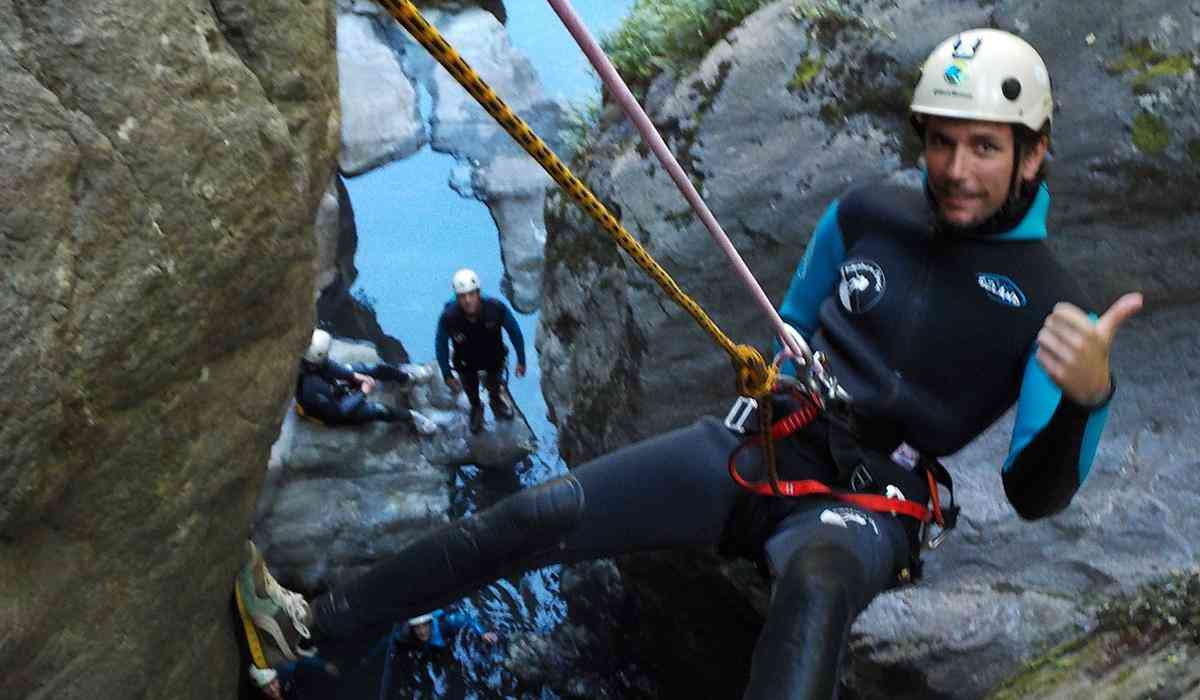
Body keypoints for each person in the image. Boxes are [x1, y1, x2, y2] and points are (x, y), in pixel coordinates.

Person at [251, 30, 1143, 698]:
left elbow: (1036, 493)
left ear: (1035, 154)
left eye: (985, 146)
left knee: (814, 594)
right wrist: (770, 374)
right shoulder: (869, 213)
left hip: (871, 503)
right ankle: (312, 629)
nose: (955, 168)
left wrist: (1082, 398)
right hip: (762, 443)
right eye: (942, 142)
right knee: (537, 511)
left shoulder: (1051, 306)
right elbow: (795, 323)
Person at [435, 269, 527, 433]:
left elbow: (514, 332)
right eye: (462, 296)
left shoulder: (496, 309)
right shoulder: (449, 317)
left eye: (471, 294)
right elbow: (441, 344)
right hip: (465, 360)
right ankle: (476, 407)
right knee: (470, 387)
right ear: (457, 298)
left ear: (478, 293)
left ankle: (495, 400)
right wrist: (447, 374)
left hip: (493, 355)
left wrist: (521, 360)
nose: (468, 300)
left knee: (494, 382)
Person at [296, 328, 438, 435]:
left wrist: (353, 375)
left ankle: (406, 379)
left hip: (328, 386)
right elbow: (338, 412)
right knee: (377, 409)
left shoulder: (310, 361)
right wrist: (363, 392)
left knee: (371, 369)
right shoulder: (312, 386)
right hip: (329, 412)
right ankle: (413, 418)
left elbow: (328, 365)